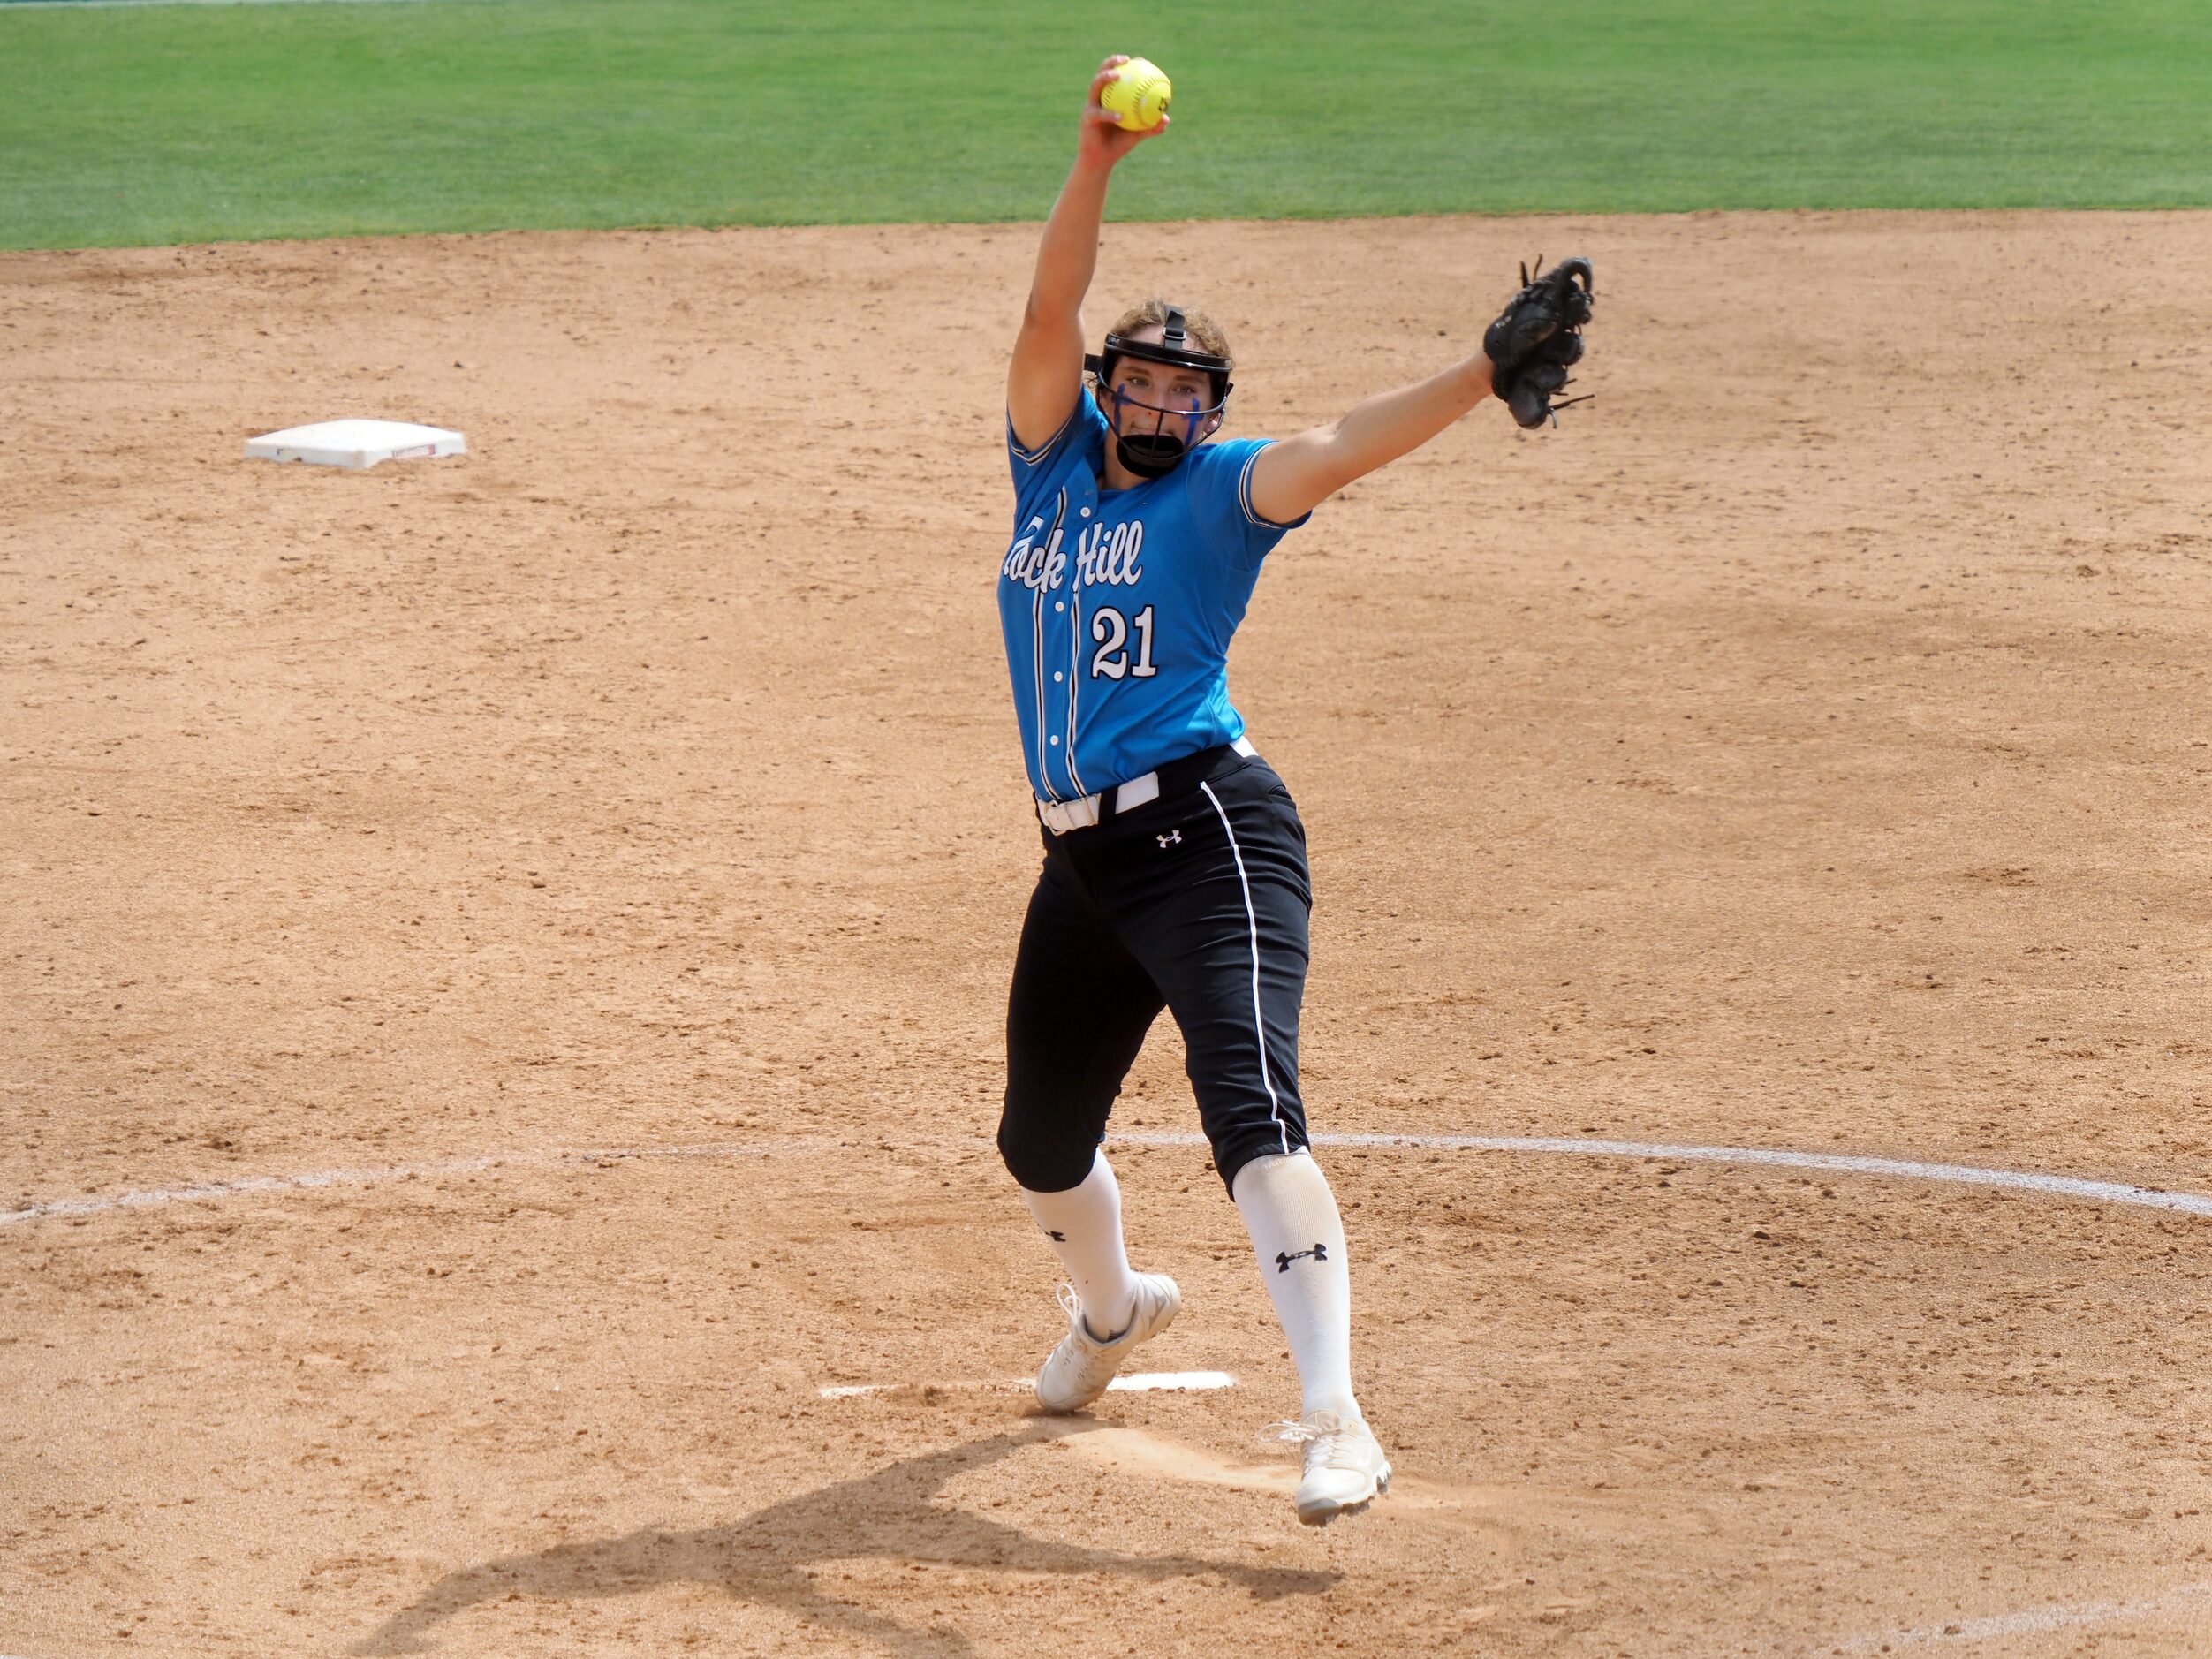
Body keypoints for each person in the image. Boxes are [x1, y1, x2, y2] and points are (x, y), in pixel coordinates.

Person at [993, 53, 1594, 1526]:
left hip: (1209, 837)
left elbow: (1340, 446)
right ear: (1105, 392)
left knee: (1250, 1105)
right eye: (1134, 380)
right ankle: (1117, 1306)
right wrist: (1097, 163)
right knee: (1039, 1141)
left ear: (1207, 412)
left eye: (1181, 390)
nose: (1152, 400)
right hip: (1081, 862)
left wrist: (1476, 374)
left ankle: (1338, 1416)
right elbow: (1045, 312)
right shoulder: (1049, 474)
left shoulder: (1227, 494)